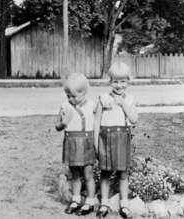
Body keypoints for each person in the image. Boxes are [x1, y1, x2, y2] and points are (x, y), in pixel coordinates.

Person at [94, 62, 138, 219]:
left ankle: (124, 204)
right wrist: (95, 144)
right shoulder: (103, 99)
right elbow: (96, 122)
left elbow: (134, 119)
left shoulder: (130, 99)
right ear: (110, 81)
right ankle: (104, 203)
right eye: (115, 81)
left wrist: (123, 103)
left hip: (122, 139)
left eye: (123, 81)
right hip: (105, 138)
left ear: (128, 81)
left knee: (123, 173)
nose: (119, 85)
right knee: (105, 173)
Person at [55, 72, 96, 216]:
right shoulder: (65, 106)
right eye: (68, 96)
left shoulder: (92, 105)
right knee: (75, 174)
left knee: (88, 174)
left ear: (84, 92)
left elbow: (99, 121)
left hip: (86, 143)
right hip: (72, 143)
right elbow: (57, 126)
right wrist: (63, 122)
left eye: (74, 96)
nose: (71, 99)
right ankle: (76, 199)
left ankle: (90, 201)